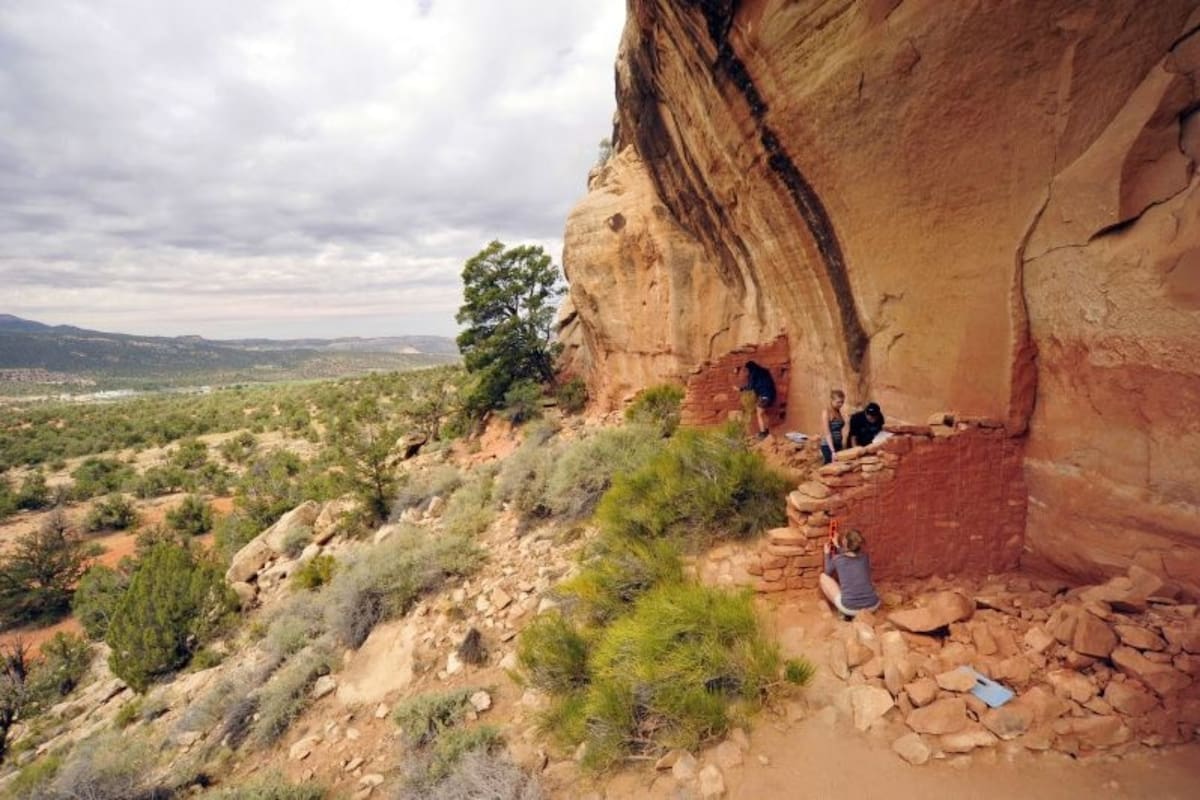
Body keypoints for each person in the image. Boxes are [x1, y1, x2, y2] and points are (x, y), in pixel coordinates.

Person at [820, 528, 880, 619]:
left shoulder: (838, 559)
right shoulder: (865, 558)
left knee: (823, 577)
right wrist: (838, 546)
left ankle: (845, 613)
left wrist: (827, 553)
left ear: (844, 543)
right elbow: (850, 556)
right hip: (872, 606)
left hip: (850, 608)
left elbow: (827, 571)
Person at [734, 361, 776, 439]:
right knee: (763, 413)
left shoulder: (754, 374)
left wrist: (740, 389)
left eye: (747, 369)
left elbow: (750, 386)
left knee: (759, 413)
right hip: (771, 394)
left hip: (764, 396)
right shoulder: (764, 371)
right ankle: (767, 430)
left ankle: (763, 433)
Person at [820, 389, 846, 463]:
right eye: (838, 402)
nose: (841, 404)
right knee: (831, 466)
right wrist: (833, 451)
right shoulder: (826, 412)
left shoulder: (837, 411)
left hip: (838, 444)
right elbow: (827, 433)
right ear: (832, 400)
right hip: (828, 446)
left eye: (842, 402)